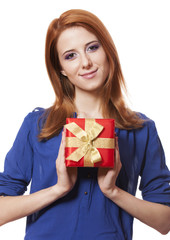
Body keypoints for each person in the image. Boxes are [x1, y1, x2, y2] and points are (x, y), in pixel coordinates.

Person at [0, 9, 170, 240]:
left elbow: (164, 222)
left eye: (92, 47)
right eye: (70, 55)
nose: (86, 62)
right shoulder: (38, 125)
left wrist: (113, 192)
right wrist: (59, 189)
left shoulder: (141, 129)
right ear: (61, 68)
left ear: (108, 50)